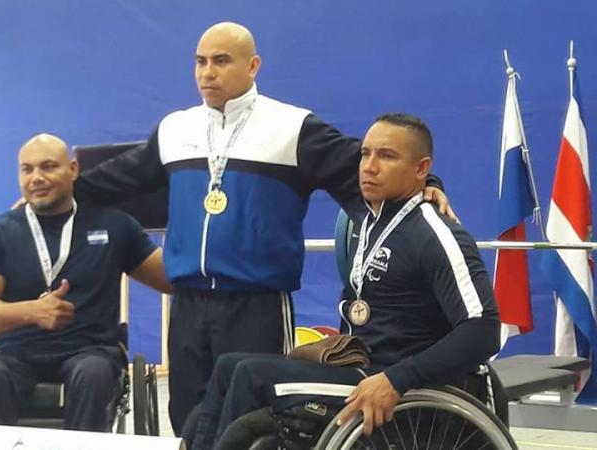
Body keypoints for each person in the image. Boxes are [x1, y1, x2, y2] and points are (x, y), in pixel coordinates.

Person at [73, 22, 457, 434]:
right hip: (188, 304)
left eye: (221, 61)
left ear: (253, 65)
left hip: (256, 305)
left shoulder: (291, 127)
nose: (207, 72)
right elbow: (118, 179)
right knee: (187, 416)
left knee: (253, 420)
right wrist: (63, 192)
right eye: (200, 62)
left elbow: (362, 169)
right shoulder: (175, 129)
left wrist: (428, 185)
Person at [189, 113, 501, 449]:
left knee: (250, 377)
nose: (369, 166)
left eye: (387, 156)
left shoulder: (435, 234)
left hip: (402, 385)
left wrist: (397, 379)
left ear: (421, 169)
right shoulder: (369, 218)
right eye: (366, 154)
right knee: (228, 366)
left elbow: (484, 330)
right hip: (360, 366)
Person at [0, 133, 171, 431]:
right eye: (27, 169)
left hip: (89, 351)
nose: (37, 177)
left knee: (94, 373)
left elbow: (170, 279)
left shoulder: (113, 225)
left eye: (48, 167)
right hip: (16, 353)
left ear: (73, 170)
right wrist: (33, 311)